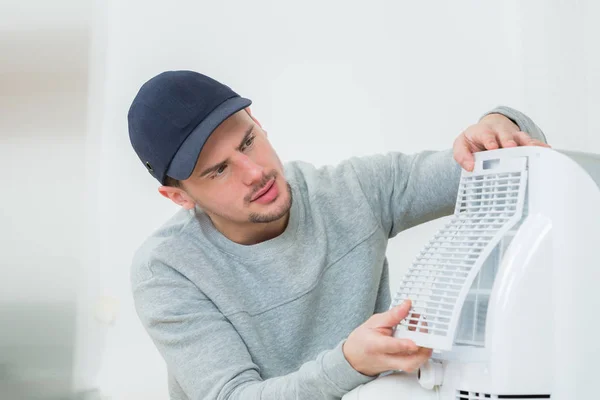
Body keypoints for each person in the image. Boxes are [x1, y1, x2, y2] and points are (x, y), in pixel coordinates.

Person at [127, 70, 549, 400]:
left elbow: (499, 165)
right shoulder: (167, 270)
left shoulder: (351, 192)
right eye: (219, 170)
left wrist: (498, 125)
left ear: (258, 122)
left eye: (248, 142)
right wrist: (350, 363)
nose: (254, 173)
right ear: (179, 197)